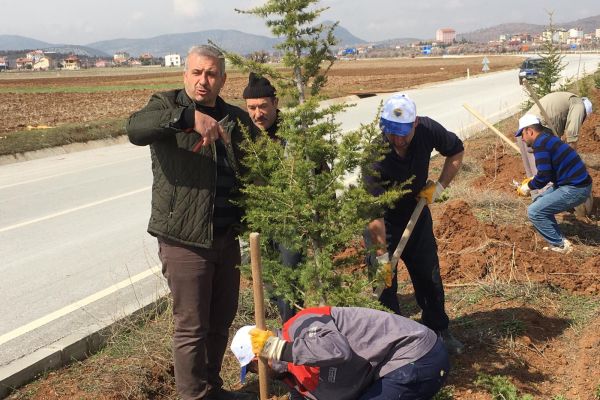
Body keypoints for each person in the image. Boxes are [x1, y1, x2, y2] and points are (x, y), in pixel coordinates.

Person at [126, 45, 257, 400]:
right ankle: (193, 396)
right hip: (184, 239)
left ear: (222, 79)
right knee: (192, 327)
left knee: (219, 322)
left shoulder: (234, 118)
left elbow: (261, 163)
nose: (203, 81)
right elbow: (135, 129)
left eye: (211, 74)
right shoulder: (166, 106)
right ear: (186, 74)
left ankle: (211, 388)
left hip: (226, 238)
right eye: (197, 73)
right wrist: (186, 118)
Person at [363, 93, 465, 355]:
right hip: (382, 222)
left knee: (428, 274)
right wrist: (381, 255)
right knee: (384, 284)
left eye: (403, 133)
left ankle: (438, 330)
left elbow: (456, 151)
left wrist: (440, 186)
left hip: (417, 214)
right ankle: (393, 342)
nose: (397, 140)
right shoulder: (374, 156)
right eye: (391, 133)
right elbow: (373, 213)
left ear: (415, 123)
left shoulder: (428, 130)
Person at [230, 306, 450, 400]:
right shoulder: (291, 373)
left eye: (253, 368)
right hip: (391, 372)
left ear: (261, 355)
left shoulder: (301, 326)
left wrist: (277, 348)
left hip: (416, 356)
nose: (258, 375)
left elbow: (338, 350)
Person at [242, 72, 304, 324]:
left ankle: (293, 335)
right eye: (252, 108)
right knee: (271, 283)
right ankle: (287, 328)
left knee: (289, 281)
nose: (258, 114)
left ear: (275, 103)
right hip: (259, 222)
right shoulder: (245, 135)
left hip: (290, 222)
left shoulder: (294, 134)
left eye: (263, 106)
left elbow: (320, 173)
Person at [515, 114, 592, 254]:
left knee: (534, 211)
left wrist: (528, 186)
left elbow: (544, 177)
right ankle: (559, 239)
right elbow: (548, 170)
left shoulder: (540, 145)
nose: (522, 138)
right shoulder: (548, 138)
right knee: (538, 200)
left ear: (530, 131)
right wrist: (533, 179)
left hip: (575, 188)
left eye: (522, 134)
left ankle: (561, 245)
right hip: (574, 183)